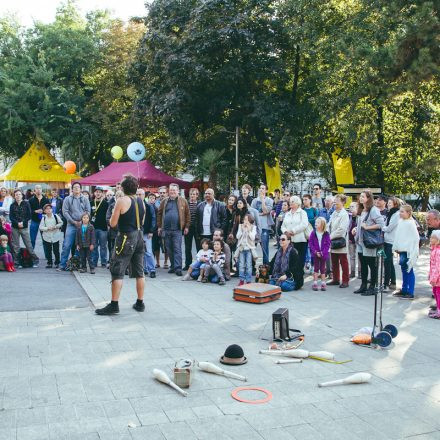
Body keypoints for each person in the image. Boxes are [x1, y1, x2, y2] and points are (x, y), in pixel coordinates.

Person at [96, 175, 146, 315]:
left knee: (117, 271)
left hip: (125, 237)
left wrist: (114, 214)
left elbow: (112, 223)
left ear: (123, 188)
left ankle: (114, 305)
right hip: (139, 236)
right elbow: (142, 220)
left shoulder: (121, 201)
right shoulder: (141, 201)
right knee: (139, 271)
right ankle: (140, 302)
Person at [353, 190, 385, 295]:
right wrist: (355, 229)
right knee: (363, 265)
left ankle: (372, 287)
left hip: (369, 242)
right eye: (360, 196)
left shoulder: (374, 210)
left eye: (363, 196)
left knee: (372, 265)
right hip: (360, 242)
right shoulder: (362, 209)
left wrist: (367, 227)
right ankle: (363, 285)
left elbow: (381, 224)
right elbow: (360, 224)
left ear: (368, 198)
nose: (361, 198)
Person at [157, 183, 190, 277]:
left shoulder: (183, 201)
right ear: (169, 191)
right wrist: (159, 227)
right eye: (171, 190)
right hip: (166, 229)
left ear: (178, 191)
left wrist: (187, 226)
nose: (172, 192)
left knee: (177, 249)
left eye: (174, 190)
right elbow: (159, 214)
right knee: (169, 249)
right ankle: (173, 266)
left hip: (177, 230)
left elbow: (188, 215)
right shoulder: (164, 201)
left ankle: (178, 268)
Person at [58, 182, 91, 271]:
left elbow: (88, 211)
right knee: (67, 245)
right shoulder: (67, 199)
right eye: (75, 187)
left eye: (78, 187)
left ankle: (77, 264)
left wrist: (82, 221)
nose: (76, 188)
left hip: (82, 225)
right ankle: (62, 265)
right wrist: (73, 221)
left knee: (81, 245)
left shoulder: (85, 199)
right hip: (71, 225)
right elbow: (65, 212)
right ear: (72, 189)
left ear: (80, 189)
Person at [392, 204, 419, 300]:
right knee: (404, 270)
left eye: (402, 211)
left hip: (408, 251)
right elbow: (399, 236)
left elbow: (415, 238)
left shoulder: (411, 223)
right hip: (402, 250)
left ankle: (410, 292)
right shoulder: (401, 222)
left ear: (408, 213)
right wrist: (397, 246)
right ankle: (404, 289)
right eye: (400, 211)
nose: (400, 213)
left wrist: (412, 251)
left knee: (409, 270)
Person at [10, 189, 39, 268]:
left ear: (22, 195)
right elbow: (11, 217)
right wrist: (17, 223)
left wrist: (23, 222)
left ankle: (35, 260)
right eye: (16, 195)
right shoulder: (12, 205)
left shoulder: (26, 204)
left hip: (24, 227)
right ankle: (17, 262)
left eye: (19, 194)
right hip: (15, 227)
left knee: (28, 244)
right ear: (14, 196)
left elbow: (29, 215)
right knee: (16, 246)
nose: (18, 196)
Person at [328, 194, 350, 288]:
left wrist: (329, 237)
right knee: (334, 260)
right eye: (335, 200)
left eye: (338, 200)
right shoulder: (334, 213)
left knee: (343, 261)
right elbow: (329, 224)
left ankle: (345, 280)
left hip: (340, 241)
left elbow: (341, 230)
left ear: (343, 202)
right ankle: (336, 279)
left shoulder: (344, 214)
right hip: (332, 240)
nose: (335, 201)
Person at [281, 195, 308, 264]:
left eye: (292, 201)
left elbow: (304, 224)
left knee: (300, 260)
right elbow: (283, 226)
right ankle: (290, 274)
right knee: (290, 260)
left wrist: (293, 231)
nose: (290, 203)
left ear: (297, 203)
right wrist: (286, 232)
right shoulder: (287, 214)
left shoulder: (303, 213)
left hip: (300, 240)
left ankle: (299, 274)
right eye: (290, 201)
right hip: (289, 241)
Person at [381, 197, 401, 290]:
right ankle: (393, 282)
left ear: (395, 204)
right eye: (388, 203)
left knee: (387, 262)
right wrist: (384, 227)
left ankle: (386, 285)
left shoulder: (396, 214)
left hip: (391, 241)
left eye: (390, 203)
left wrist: (382, 227)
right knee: (389, 262)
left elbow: (388, 228)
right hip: (387, 240)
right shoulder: (390, 213)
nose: (388, 204)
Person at [251, 184, 274, 265]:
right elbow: (252, 213)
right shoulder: (254, 201)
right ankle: (252, 266)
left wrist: (262, 200)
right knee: (252, 247)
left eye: (263, 188)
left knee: (264, 248)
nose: (261, 190)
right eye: (260, 188)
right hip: (255, 227)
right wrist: (260, 214)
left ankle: (266, 266)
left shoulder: (269, 200)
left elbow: (265, 211)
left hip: (264, 227)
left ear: (266, 190)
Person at [137, 188, 156, 278]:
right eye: (137, 194)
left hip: (146, 232)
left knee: (148, 251)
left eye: (140, 194)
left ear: (144, 196)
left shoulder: (149, 206)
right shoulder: (134, 205)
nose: (139, 196)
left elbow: (153, 219)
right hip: (137, 232)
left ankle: (152, 269)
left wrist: (151, 231)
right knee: (140, 252)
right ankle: (144, 269)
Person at [309, 217, 331, 291]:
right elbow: (310, 243)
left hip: (323, 254)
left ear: (322, 225)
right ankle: (315, 283)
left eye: (318, 223)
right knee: (316, 268)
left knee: (322, 269)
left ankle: (323, 283)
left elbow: (328, 244)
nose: (316, 224)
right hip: (315, 254)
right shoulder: (313, 232)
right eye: (316, 222)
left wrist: (322, 252)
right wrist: (315, 252)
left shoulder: (326, 233)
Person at [235, 214, 257, 286]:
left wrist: (248, 230)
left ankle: (248, 280)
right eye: (244, 219)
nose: (245, 221)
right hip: (241, 248)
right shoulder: (240, 226)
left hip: (249, 248)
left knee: (249, 265)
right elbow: (237, 236)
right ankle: (241, 280)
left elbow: (253, 238)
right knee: (241, 265)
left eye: (247, 219)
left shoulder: (253, 227)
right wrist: (242, 230)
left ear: (250, 220)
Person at [39, 204, 62, 268]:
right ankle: (49, 262)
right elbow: (40, 227)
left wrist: (56, 226)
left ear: (52, 209)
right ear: (44, 211)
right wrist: (47, 228)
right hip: (47, 236)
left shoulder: (55, 216)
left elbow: (61, 223)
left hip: (55, 235)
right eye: (47, 209)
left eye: (50, 208)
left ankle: (57, 262)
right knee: (48, 250)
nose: (49, 210)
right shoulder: (44, 218)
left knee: (56, 250)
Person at [91, 187, 109, 268]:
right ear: (94, 193)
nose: (98, 193)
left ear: (102, 193)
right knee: (94, 246)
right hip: (93, 227)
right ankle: (94, 262)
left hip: (103, 228)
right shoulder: (91, 202)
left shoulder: (106, 203)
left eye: (99, 192)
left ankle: (103, 262)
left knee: (103, 246)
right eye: (96, 192)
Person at [184, 188, 201, 270]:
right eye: (191, 194)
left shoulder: (200, 204)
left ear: (197, 195)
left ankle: (198, 264)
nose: (192, 196)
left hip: (197, 228)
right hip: (188, 227)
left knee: (199, 247)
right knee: (187, 247)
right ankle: (188, 264)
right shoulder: (186, 203)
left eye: (194, 194)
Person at [106, 190, 123, 267]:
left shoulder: (126, 205)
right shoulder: (112, 205)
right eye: (117, 196)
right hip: (114, 231)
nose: (119, 197)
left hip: (124, 231)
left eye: (120, 196)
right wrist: (115, 226)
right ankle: (112, 263)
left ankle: (122, 265)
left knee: (123, 249)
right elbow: (107, 218)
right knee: (113, 248)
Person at [28, 185, 49, 249]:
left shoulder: (46, 199)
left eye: (40, 188)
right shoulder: (31, 200)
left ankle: (47, 256)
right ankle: (32, 256)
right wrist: (35, 211)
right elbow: (28, 211)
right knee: (32, 240)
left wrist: (44, 211)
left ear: (41, 190)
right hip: (34, 221)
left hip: (44, 222)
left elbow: (49, 210)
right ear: (35, 190)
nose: (38, 189)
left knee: (45, 240)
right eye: (37, 188)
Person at [155, 186, 169, 268]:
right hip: (155, 227)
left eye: (164, 193)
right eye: (160, 193)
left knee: (166, 245)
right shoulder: (155, 202)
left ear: (166, 193)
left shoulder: (169, 202)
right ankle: (157, 262)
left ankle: (166, 262)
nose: (162, 194)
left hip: (165, 227)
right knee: (156, 245)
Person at [428, 230, 440, 319]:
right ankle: (438, 310)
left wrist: (434, 278)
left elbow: (438, 266)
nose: (430, 239)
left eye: (433, 238)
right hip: (435, 276)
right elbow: (432, 265)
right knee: (435, 292)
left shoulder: (438, 251)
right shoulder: (434, 249)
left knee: (438, 293)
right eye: (431, 237)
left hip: (438, 278)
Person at [348, 201, 360, 279]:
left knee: (359, 257)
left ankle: (360, 272)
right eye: (350, 207)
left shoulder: (360, 217)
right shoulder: (349, 217)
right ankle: (352, 272)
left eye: (352, 207)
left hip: (359, 240)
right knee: (352, 256)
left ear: (357, 208)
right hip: (350, 240)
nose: (350, 208)